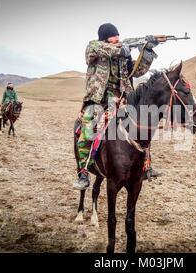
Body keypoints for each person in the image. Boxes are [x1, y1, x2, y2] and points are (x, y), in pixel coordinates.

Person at [74, 23, 161, 190]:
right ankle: (84, 173)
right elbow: (98, 48)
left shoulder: (122, 56)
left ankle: (145, 167)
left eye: (118, 37)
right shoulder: (94, 47)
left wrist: (148, 49)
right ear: (106, 37)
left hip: (120, 100)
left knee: (142, 129)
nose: (117, 39)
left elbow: (138, 70)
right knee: (86, 131)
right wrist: (123, 48)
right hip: (97, 100)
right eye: (114, 36)